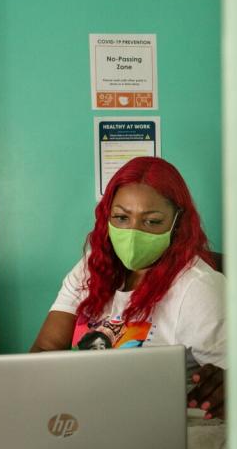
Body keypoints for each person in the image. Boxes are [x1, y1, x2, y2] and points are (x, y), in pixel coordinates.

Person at [31, 156, 226, 419]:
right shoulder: (92, 267)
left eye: (152, 221)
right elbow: (45, 350)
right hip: (85, 417)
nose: (133, 233)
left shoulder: (199, 288)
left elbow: (232, 382)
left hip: (157, 428)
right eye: (121, 217)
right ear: (107, 217)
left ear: (178, 223)